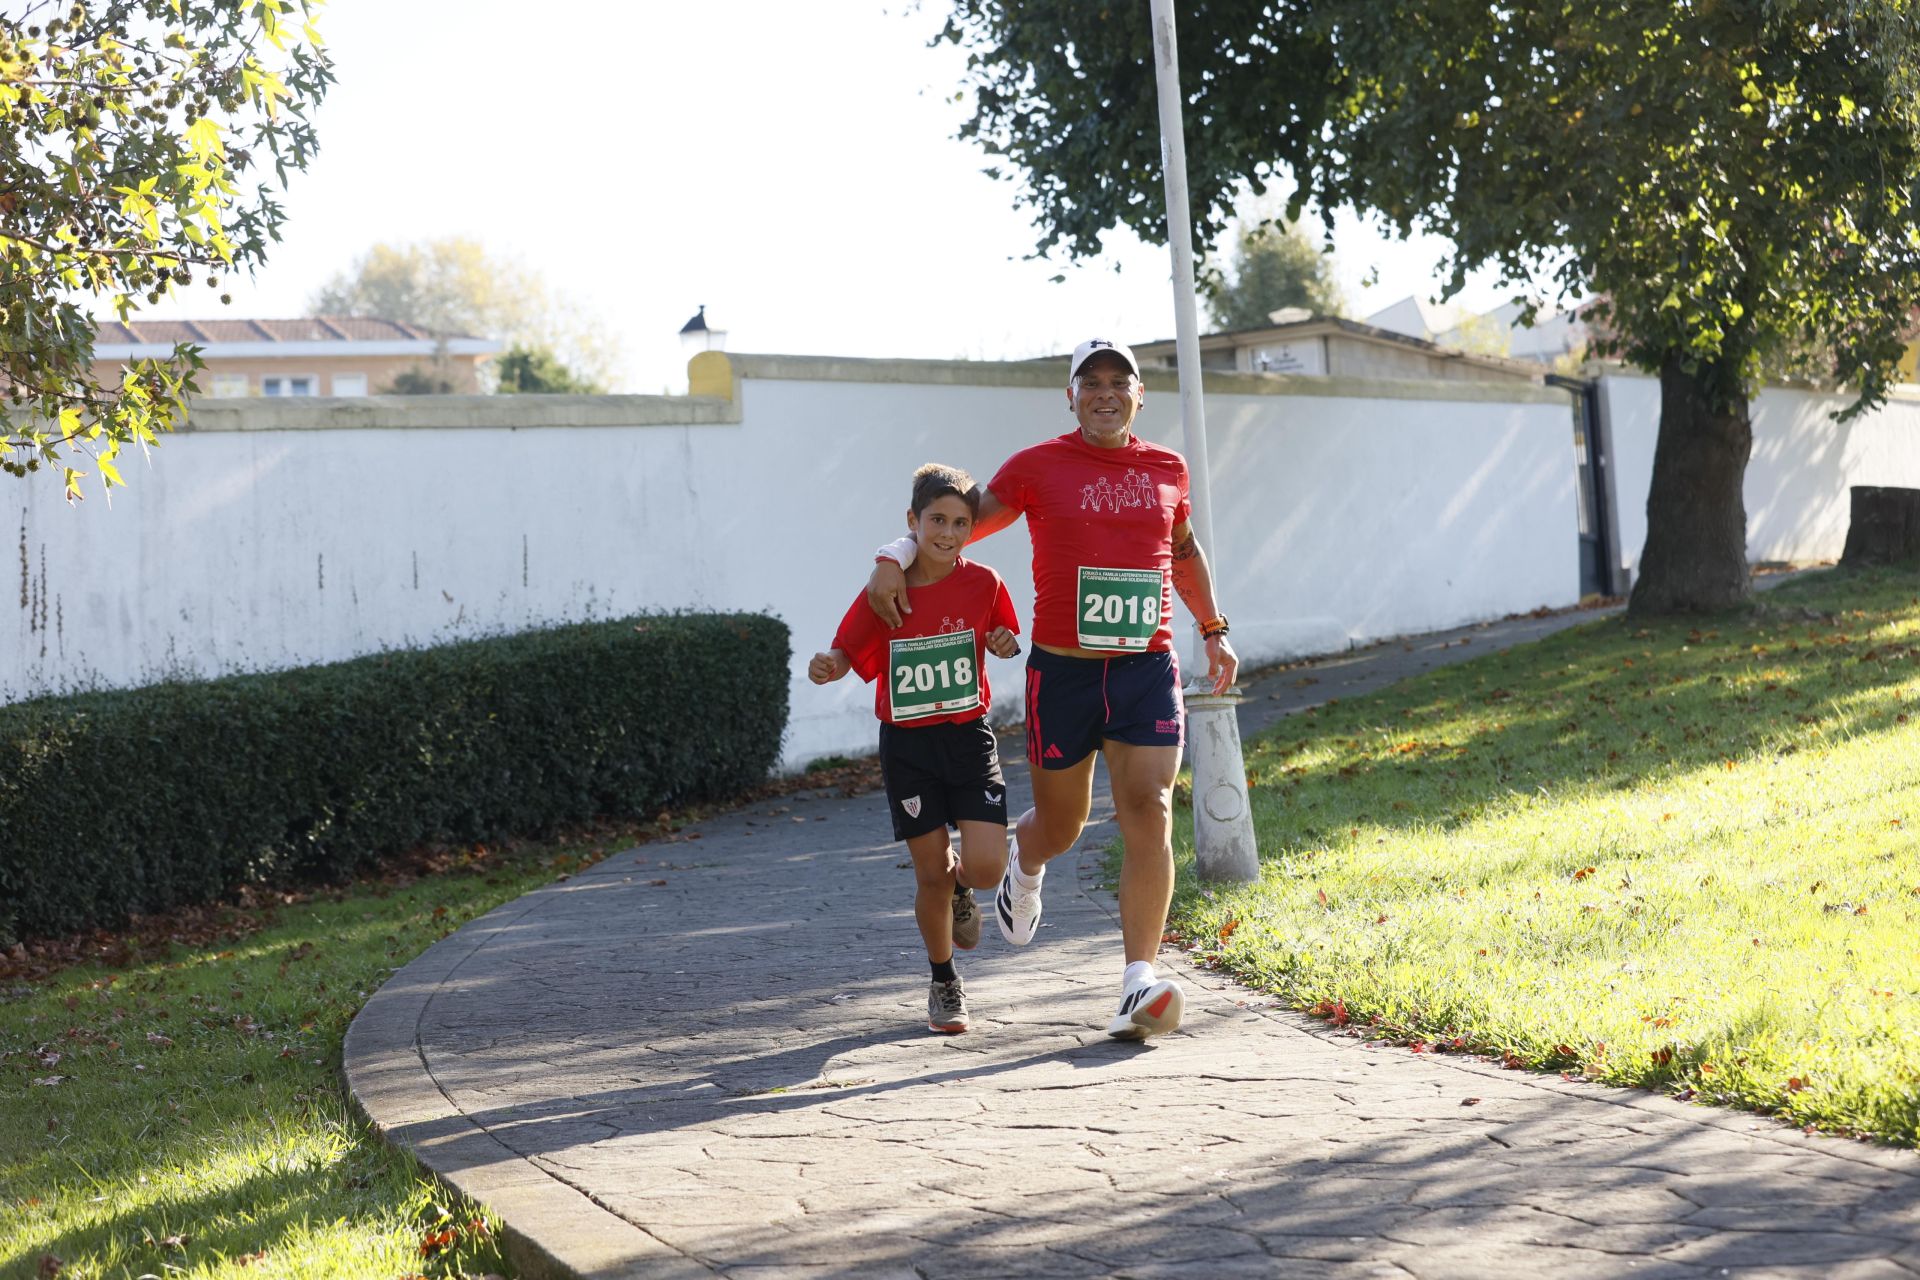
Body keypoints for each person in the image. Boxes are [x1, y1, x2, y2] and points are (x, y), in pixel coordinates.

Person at [866, 339, 1239, 1041]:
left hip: (1144, 669)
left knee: (1148, 808)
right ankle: (1025, 864)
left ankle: (1138, 980)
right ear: (1070, 396)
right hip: (1063, 675)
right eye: (1089, 382)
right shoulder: (1038, 467)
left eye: (1118, 381)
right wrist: (894, 555)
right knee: (1060, 828)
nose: (1105, 392)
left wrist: (1213, 628)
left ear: (1139, 395)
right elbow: (955, 521)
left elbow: (1181, 551)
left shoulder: (1167, 469)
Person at [811, 463, 1022, 1034]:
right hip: (907, 746)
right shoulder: (888, 587)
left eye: (960, 522)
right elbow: (848, 646)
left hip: (967, 736)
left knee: (983, 866)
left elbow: (1004, 635)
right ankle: (943, 982)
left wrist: (1004, 642)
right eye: (936, 520)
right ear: (914, 522)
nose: (947, 533)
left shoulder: (985, 583)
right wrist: (831, 665)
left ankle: (962, 887)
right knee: (928, 873)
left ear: (971, 527)